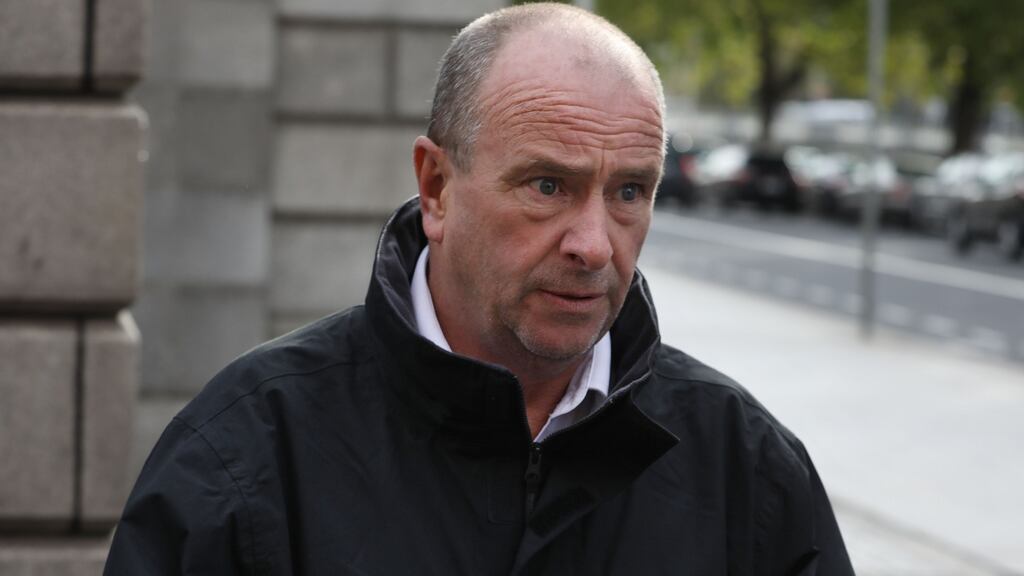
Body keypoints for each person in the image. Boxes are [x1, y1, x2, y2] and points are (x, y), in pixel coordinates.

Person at [105, 3, 853, 574]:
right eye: (548, 184)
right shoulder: (247, 456)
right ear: (436, 188)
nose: (593, 244)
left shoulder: (745, 470)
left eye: (630, 192)